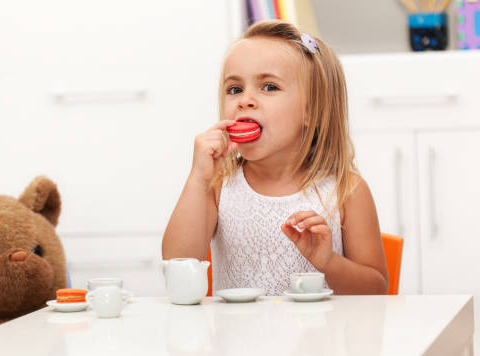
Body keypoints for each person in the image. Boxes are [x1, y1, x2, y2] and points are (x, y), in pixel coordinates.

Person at [162, 20, 388, 295]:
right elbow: (177, 266)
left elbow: (376, 291)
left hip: (322, 337)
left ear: (313, 112)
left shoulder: (346, 190)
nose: (245, 101)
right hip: (237, 337)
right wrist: (198, 179)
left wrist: (329, 262)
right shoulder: (218, 186)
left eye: (269, 87)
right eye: (235, 89)